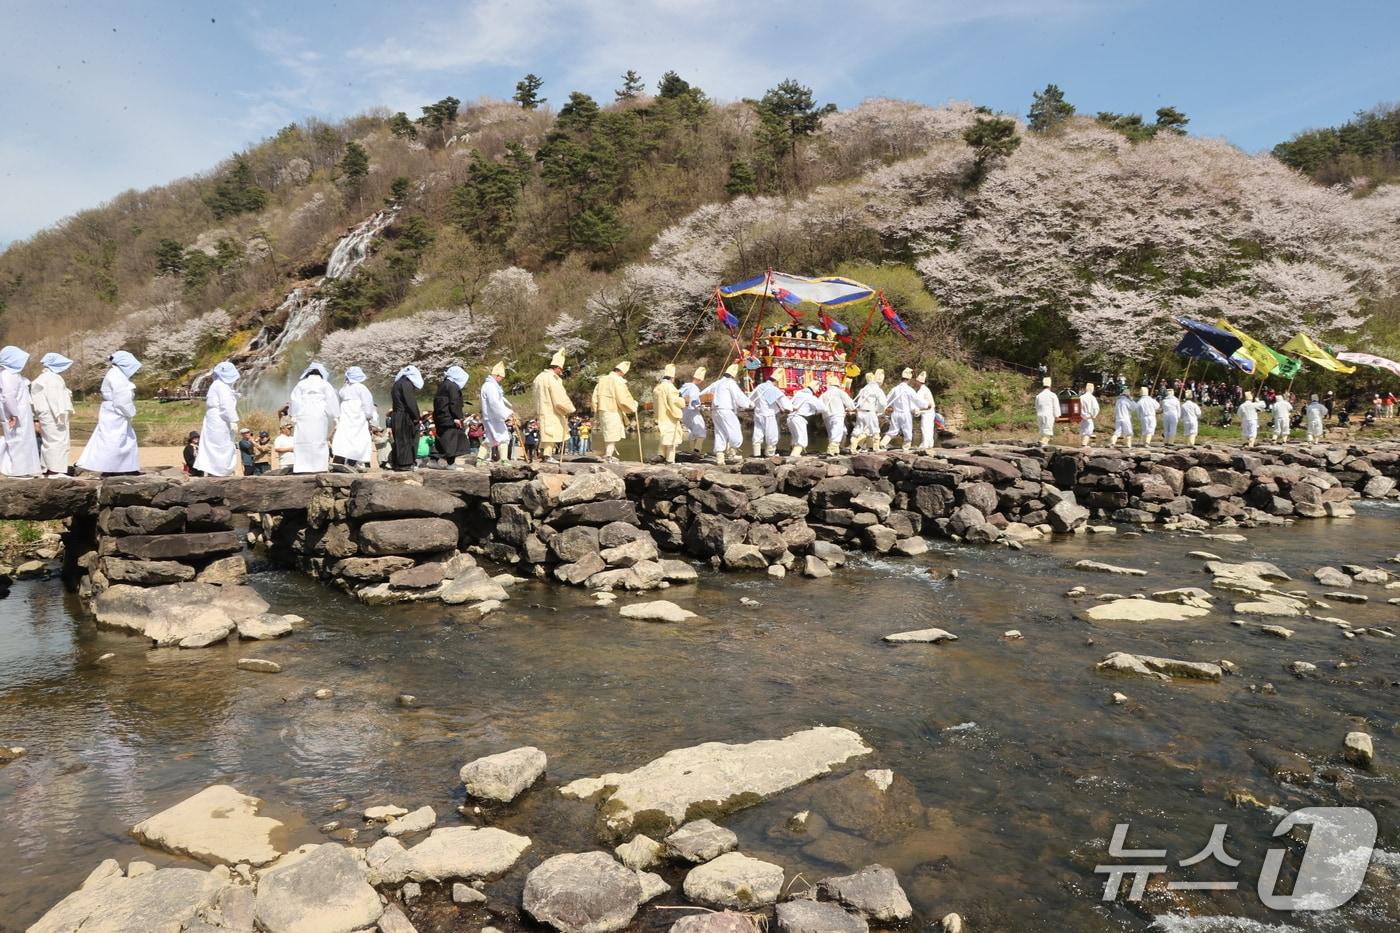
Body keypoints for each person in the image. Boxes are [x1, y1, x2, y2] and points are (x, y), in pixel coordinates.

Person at [76, 351, 141, 475]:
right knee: (116, 440)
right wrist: (130, 411)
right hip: (116, 411)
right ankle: (114, 468)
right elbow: (122, 398)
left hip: (112, 410)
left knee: (115, 439)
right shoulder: (117, 376)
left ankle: (119, 467)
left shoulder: (115, 374)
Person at [287, 361, 341, 473]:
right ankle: (319, 466)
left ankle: (302, 466)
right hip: (319, 414)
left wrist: (293, 414)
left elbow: (294, 400)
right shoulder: (325, 384)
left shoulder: (301, 384)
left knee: (303, 439)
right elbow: (331, 400)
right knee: (319, 439)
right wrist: (335, 416)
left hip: (304, 414)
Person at [193, 361, 241, 477]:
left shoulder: (217, 385)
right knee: (222, 444)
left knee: (213, 443)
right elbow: (226, 405)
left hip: (213, 418)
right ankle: (221, 470)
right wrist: (233, 420)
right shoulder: (222, 386)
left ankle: (214, 469)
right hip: (220, 419)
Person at [31, 352, 75, 476]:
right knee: (58, 441)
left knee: (48, 441)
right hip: (53, 415)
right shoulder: (53, 378)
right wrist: (59, 414)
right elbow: (55, 399)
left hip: (45, 415)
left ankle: (48, 468)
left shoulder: (42, 378)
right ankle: (55, 470)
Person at [0, 346, 41, 477]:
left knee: (24, 440)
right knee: (17, 440)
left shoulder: (13, 374)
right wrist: (13, 414)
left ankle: (24, 469)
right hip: (15, 413)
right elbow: (8, 396)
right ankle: (17, 470)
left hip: (21, 412)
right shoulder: (7, 375)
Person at [702, 363, 751, 464]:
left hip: (715, 410)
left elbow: (703, 394)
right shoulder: (730, 383)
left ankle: (720, 457)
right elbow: (739, 397)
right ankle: (732, 453)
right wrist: (749, 404)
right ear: (734, 375)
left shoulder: (716, 383)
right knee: (735, 430)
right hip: (726, 410)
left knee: (720, 432)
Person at [330, 366, 378, 469]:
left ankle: (339, 460)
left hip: (346, 417)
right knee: (359, 439)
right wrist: (369, 416)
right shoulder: (362, 388)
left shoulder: (344, 389)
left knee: (344, 438)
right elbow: (368, 403)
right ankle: (352, 462)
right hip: (358, 418)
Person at [531, 351, 575, 462]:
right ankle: (547, 455)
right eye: (561, 369)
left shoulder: (539, 377)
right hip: (551, 409)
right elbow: (559, 397)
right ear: (558, 368)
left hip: (542, 409)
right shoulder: (552, 379)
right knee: (551, 432)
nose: (561, 372)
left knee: (546, 433)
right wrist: (568, 408)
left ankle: (544, 453)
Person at [592, 360, 637, 461]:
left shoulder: (602, 379)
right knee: (613, 433)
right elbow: (623, 397)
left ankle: (608, 454)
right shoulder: (617, 380)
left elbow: (594, 396)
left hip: (602, 409)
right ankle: (608, 455)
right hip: (612, 409)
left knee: (608, 432)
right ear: (621, 372)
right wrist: (633, 406)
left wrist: (595, 408)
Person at [433, 365, 471, 467]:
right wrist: (457, 417)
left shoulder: (443, 385)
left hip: (440, 417)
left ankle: (433, 460)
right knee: (451, 440)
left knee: (442, 439)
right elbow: (454, 403)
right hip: (449, 418)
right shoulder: (452, 386)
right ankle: (450, 463)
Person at [388, 365, 423, 471]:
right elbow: (410, 402)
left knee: (399, 439)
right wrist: (417, 416)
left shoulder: (397, 384)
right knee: (407, 439)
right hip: (404, 415)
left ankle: (397, 463)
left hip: (396, 414)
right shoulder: (406, 384)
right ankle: (406, 464)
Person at [478, 361, 514, 463]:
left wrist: (509, 407)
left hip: (491, 416)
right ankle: (504, 459)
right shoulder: (490, 386)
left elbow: (500, 399)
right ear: (497, 375)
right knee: (503, 437)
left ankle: (480, 458)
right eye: (501, 377)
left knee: (490, 438)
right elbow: (494, 403)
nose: (502, 379)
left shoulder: (491, 386)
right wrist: (507, 413)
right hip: (493, 416)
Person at [654, 363, 685, 463]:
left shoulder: (657, 388)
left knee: (664, 436)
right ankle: (670, 460)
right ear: (672, 378)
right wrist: (682, 401)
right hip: (670, 416)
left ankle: (661, 455)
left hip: (661, 416)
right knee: (672, 439)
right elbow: (674, 401)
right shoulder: (670, 388)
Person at [749, 371, 785, 457]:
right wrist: (790, 408)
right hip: (769, 413)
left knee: (758, 432)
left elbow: (751, 399)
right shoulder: (771, 388)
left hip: (758, 413)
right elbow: (782, 401)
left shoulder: (760, 386)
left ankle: (756, 455)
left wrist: (750, 406)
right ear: (776, 381)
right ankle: (770, 454)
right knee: (772, 434)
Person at [882, 368, 920, 450]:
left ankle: (883, 443)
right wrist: (923, 406)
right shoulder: (910, 390)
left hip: (895, 413)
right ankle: (906, 448)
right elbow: (916, 400)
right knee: (907, 431)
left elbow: (887, 400)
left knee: (893, 430)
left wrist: (886, 408)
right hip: (905, 414)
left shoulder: (895, 389)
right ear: (909, 379)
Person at [850, 370, 886, 452]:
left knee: (859, 429)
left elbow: (858, 401)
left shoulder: (863, 389)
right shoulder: (877, 389)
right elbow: (883, 403)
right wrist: (879, 411)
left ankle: (853, 447)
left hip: (860, 412)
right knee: (875, 430)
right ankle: (876, 448)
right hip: (870, 412)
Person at [785, 383, 825, 457]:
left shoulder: (798, 394)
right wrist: (814, 411)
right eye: (818, 388)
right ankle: (794, 456)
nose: (818, 389)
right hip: (799, 418)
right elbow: (822, 408)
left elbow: (790, 404)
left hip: (790, 418)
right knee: (802, 440)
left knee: (795, 438)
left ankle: (792, 453)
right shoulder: (811, 397)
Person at [822, 378, 856, 454]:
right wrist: (852, 408)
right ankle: (831, 450)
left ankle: (837, 449)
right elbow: (850, 403)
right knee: (837, 432)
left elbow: (819, 405)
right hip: (837, 414)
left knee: (836, 432)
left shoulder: (824, 394)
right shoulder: (839, 392)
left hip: (826, 416)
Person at [679, 367, 708, 454]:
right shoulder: (694, 388)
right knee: (701, 431)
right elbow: (694, 400)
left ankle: (692, 450)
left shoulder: (684, 386)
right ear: (700, 380)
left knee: (692, 431)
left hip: (684, 412)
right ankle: (696, 451)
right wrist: (701, 407)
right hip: (692, 412)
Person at [913, 371, 937, 452]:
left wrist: (917, 410)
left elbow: (918, 402)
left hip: (927, 411)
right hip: (931, 411)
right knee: (929, 428)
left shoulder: (922, 390)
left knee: (925, 427)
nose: (915, 383)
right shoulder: (925, 389)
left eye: (916, 381)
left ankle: (925, 444)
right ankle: (930, 444)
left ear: (919, 382)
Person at [1034, 376, 1058, 446]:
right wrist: (1057, 415)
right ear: (1050, 385)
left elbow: (1036, 406)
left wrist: (1038, 413)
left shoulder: (1038, 395)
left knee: (1042, 431)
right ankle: (1043, 444)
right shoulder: (1052, 395)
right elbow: (1056, 406)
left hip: (1040, 414)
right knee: (1047, 431)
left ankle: (1042, 443)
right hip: (1049, 415)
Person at [1109, 384, 1135, 448]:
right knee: (1128, 432)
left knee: (1117, 432)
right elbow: (1134, 407)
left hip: (1118, 418)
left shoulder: (1118, 401)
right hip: (1126, 418)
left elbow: (1115, 410)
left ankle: (1112, 443)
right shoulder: (1127, 401)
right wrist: (1132, 400)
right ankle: (1128, 445)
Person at [1078, 383, 1100, 448]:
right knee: (1088, 431)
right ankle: (1084, 445)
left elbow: (1079, 407)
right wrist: (1093, 415)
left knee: (1083, 431)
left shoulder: (1081, 397)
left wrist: (1081, 415)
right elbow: (1096, 408)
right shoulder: (1092, 398)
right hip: (1089, 416)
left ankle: (1083, 444)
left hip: (1082, 417)